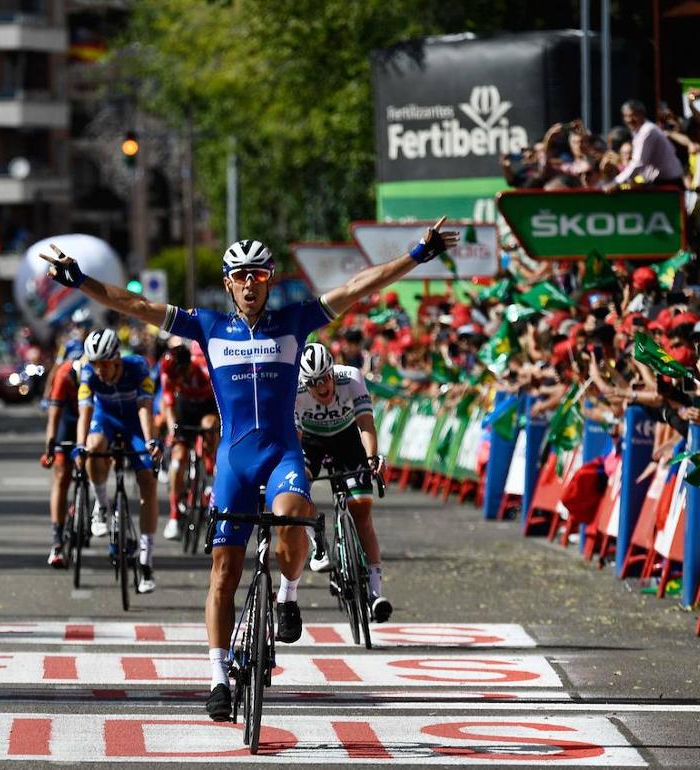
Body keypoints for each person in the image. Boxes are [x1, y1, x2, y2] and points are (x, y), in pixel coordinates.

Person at [39, 217, 458, 721]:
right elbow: (137, 305)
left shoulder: (294, 320)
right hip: (234, 460)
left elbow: (355, 287)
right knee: (224, 574)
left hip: (282, 453)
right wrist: (79, 280)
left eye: (258, 274)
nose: (250, 283)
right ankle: (217, 676)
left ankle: (288, 594)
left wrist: (417, 254)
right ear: (228, 284)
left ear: (271, 279)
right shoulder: (207, 326)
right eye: (240, 275)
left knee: (291, 517)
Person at [294, 343, 392, 623]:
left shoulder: (351, 378)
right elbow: (294, 440)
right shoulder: (296, 391)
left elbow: (365, 424)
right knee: (296, 490)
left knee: (361, 508)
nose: (321, 386)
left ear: (333, 372)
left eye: (325, 378)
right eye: (313, 383)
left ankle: (375, 593)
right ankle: (318, 542)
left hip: (347, 438)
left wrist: (372, 458)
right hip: (311, 442)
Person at [73, 329, 163, 594]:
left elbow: (146, 407)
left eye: (104, 363)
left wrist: (150, 442)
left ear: (116, 360)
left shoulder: (137, 367)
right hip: (107, 419)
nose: (99, 369)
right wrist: (80, 446)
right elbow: (85, 411)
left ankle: (146, 558)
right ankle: (101, 505)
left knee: (148, 482)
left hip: (135, 421)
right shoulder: (88, 373)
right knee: (92, 447)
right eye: (95, 363)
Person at [159, 342, 219, 541]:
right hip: (184, 411)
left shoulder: (205, 371)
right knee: (178, 459)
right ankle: (174, 516)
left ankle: (210, 474)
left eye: (178, 377)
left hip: (206, 408)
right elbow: (168, 405)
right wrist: (172, 430)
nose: (175, 381)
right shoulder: (168, 373)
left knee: (210, 425)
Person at [40, 355, 82, 568]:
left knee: (94, 463)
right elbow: (54, 416)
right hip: (68, 419)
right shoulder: (64, 375)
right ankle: (57, 541)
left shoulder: (97, 375)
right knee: (61, 475)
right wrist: (50, 446)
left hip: (90, 418)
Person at [606, 100, 685, 189]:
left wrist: (616, 182)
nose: (629, 120)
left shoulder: (647, 131)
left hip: (669, 183)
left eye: (633, 115)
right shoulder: (638, 132)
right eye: (626, 116)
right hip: (659, 182)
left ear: (642, 115)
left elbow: (638, 163)